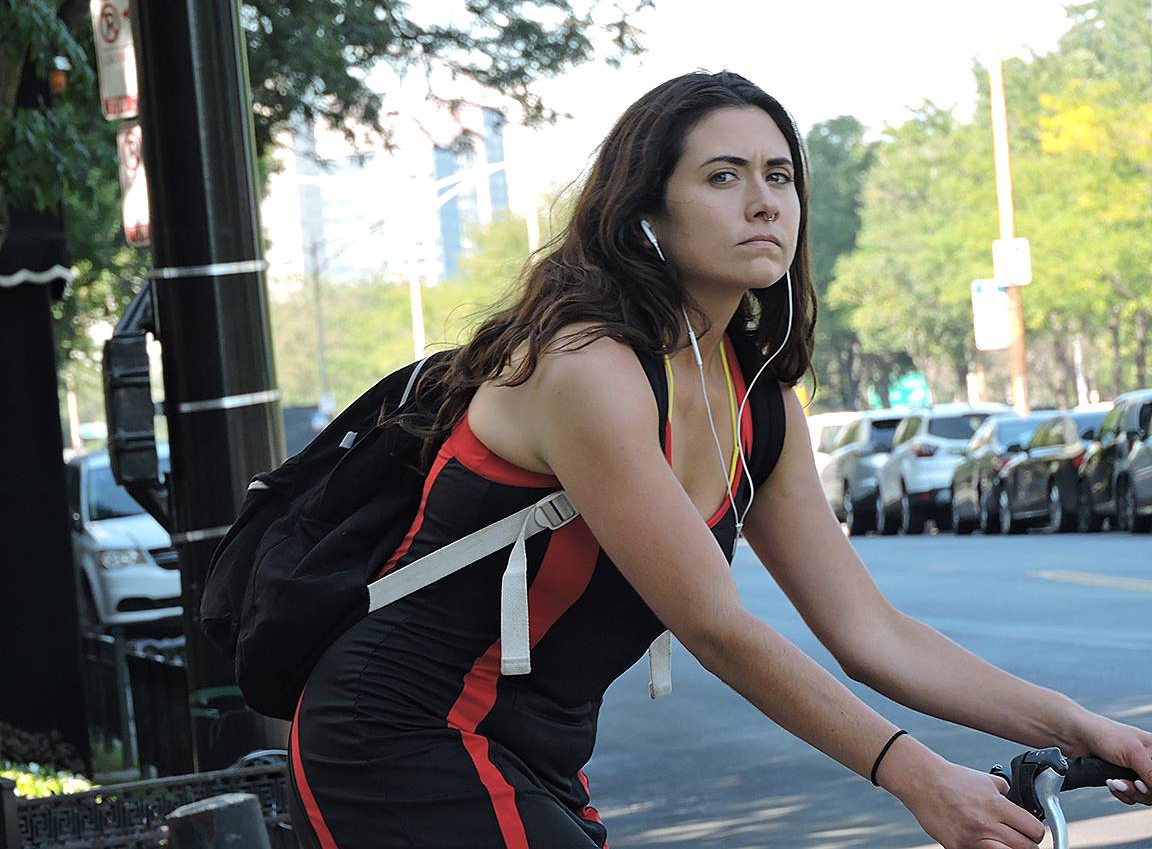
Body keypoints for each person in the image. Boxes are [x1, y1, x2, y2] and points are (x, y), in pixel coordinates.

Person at [287, 71, 1152, 849]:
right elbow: (715, 625)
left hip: (536, 755)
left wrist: (1081, 728)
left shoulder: (761, 404)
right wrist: (917, 777)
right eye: (723, 177)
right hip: (394, 732)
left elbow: (871, 633)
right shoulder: (587, 367)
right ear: (644, 213)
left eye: (779, 176)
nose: (764, 202)